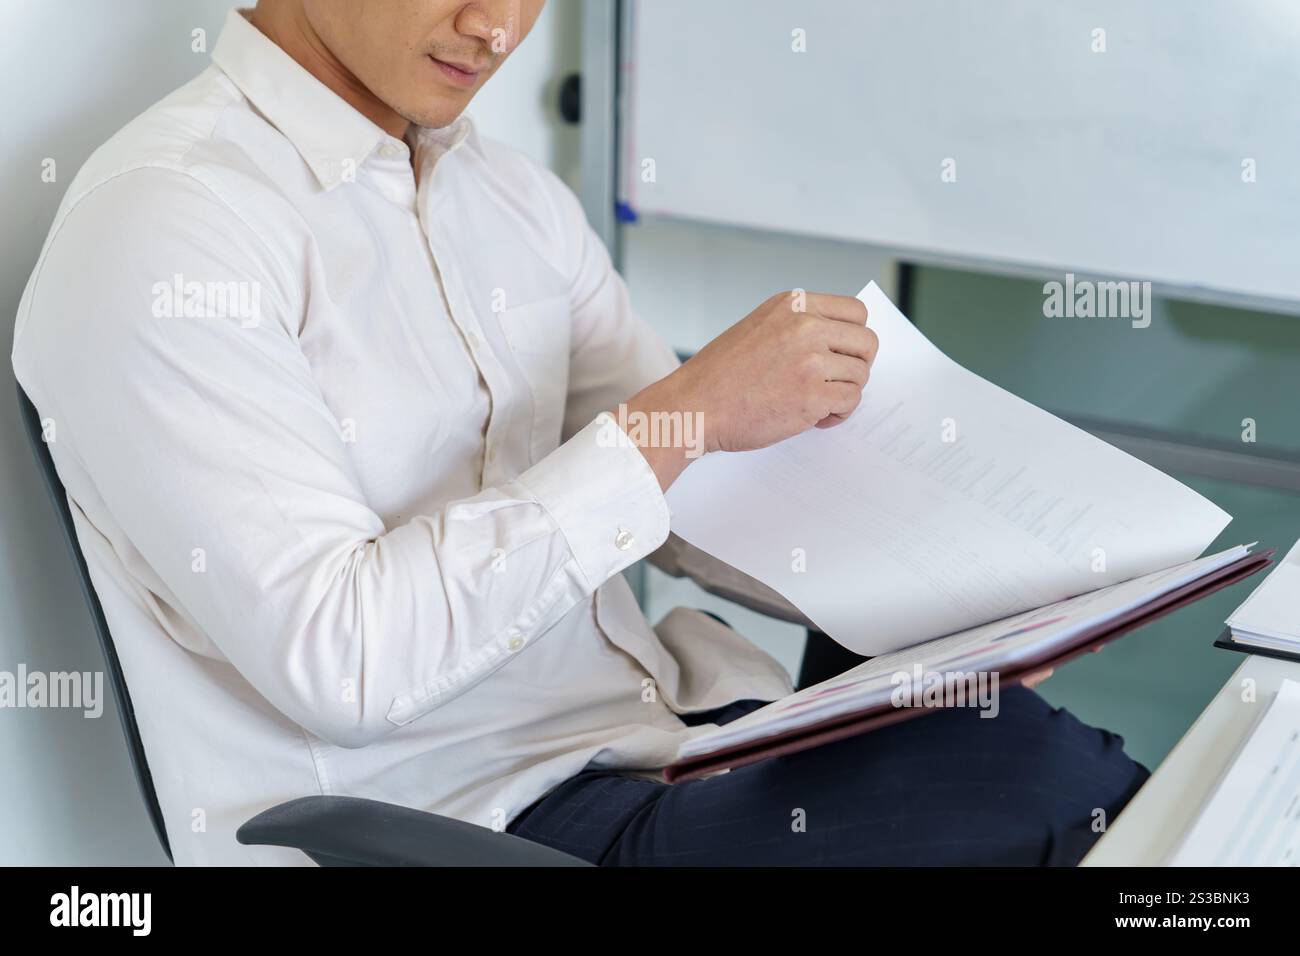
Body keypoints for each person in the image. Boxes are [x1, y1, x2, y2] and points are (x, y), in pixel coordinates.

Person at [12, 0, 1146, 866]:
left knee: (1048, 751)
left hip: (674, 733)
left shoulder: (506, 197)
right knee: (1055, 794)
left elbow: (691, 498)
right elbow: (342, 655)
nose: (497, 26)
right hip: (478, 824)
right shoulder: (166, 230)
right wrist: (681, 412)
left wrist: (973, 595)